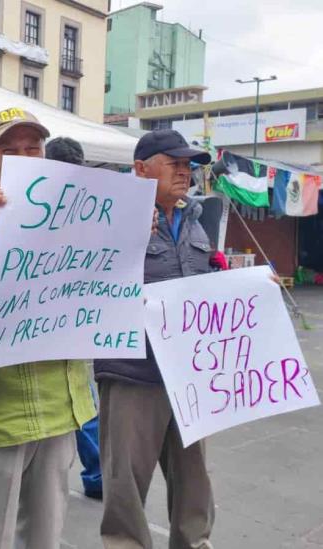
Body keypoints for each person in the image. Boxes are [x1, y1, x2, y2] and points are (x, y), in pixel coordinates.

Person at [0, 109, 96, 549]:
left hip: (60, 407)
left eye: (32, 149)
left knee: (46, 538)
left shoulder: (77, 221)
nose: (24, 157)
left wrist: (127, 243)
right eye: (8, 150)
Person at [94, 129, 215, 549]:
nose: (185, 171)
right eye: (175, 162)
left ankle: (195, 543)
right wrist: (123, 236)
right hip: (133, 373)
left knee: (194, 477)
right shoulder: (107, 216)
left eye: (189, 165)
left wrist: (253, 288)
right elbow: (88, 281)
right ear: (141, 169)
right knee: (125, 481)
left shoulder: (197, 220)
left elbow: (206, 284)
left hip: (188, 375)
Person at [44, 136, 103, 501]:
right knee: (81, 401)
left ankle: (95, 475)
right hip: (51, 320)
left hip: (68, 320)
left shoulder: (90, 209)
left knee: (81, 400)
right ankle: (95, 476)